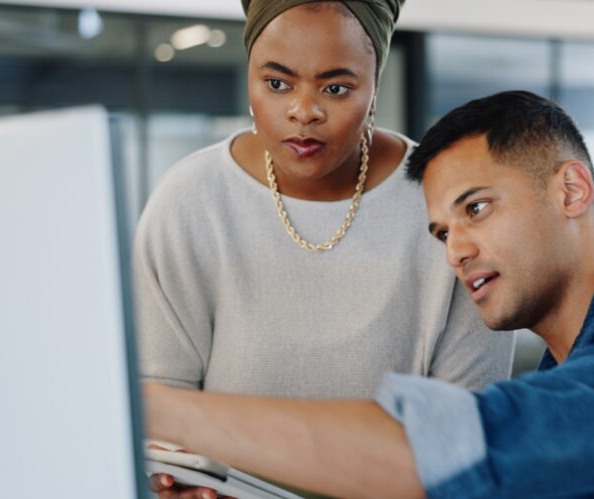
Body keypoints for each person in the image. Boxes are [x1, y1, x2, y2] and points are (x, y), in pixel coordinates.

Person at [144, 90, 594, 498]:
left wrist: (153, 407)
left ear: (571, 190)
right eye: (442, 229)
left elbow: (446, 454)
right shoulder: (573, 369)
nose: (455, 248)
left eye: (477, 208)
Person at [137, 0, 514, 495]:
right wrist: (170, 480)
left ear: (375, 82)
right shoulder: (190, 201)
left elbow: (467, 434)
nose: (303, 111)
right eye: (277, 84)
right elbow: (158, 407)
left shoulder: (446, 205)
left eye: (336, 88)